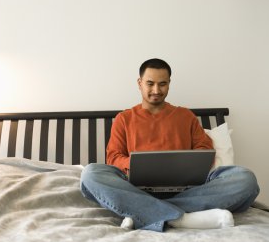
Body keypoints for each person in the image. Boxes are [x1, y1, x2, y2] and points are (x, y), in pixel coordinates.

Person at [80, 58, 260, 232]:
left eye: (162, 84)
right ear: (139, 83)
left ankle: (142, 212)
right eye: (150, 84)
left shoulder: (186, 116)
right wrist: (136, 166)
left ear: (169, 83)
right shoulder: (124, 119)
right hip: (135, 189)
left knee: (245, 179)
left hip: (187, 191)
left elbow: (204, 149)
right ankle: (182, 218)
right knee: (90, 174)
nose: (156, 90)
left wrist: (187, 165)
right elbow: (114, 157)